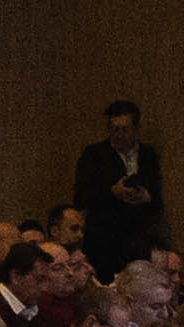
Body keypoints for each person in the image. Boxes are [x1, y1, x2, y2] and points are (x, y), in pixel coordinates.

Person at [69, 98, 167, 266]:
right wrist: (113, 191)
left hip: (138, 238)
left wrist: (145, 197)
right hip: (103, 241)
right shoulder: (94, 155)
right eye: (114, 129)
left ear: (136, 129)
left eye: (125, 129)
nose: (119, 135)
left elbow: (157, 199)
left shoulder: (148, 155)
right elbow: (81, 197)